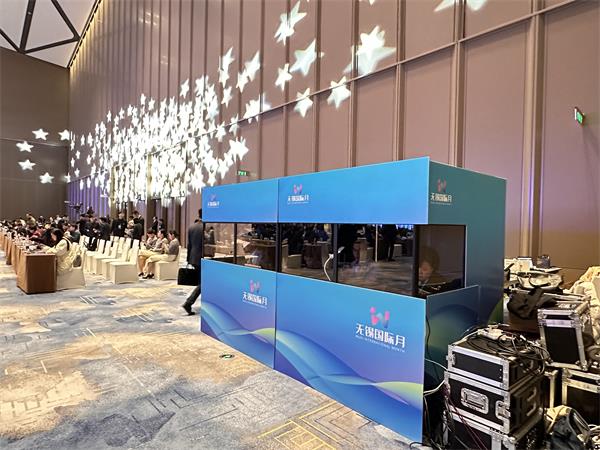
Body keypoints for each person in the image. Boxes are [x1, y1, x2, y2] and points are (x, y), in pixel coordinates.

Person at [182, 211, 203, 315]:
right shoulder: (206, 227)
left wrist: (188, 259)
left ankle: (190, 303)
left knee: (202, 282)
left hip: (193, 258)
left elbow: (189, 245)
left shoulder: (191, 227)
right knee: (204, 283)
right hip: (203, 258)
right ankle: (188, 302)